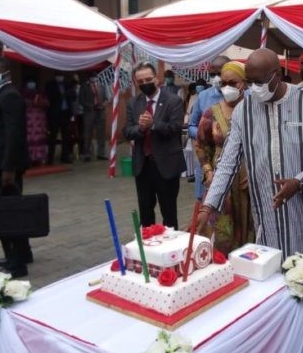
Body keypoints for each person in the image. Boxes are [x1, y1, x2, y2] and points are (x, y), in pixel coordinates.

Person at [198, 48, 303, 257]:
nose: (254, 88)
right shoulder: (244, 110)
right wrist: (208, 206)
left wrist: (299, 182)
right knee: (271, 268)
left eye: (259, 82)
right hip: (265, 210)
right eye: (249, 82)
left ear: (276, 75)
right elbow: (227, 162)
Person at [0, 56, 32, 278]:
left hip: (4, 168)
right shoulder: (1, 94)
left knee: (6, 215)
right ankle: (22, 253)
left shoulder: (9, 96)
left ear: (6, 72)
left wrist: (8, 169)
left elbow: (14, 135)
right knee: (12, 211)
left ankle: (16, 262)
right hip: (0, 165)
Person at [195, 61, 254, 253]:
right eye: (224, 83)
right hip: (220, 181)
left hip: (247, 184)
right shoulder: (211, 113)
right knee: (220, 232)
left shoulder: (255, 110)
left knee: (247, 231)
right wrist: (208, 172)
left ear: (244, 83)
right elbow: (201, 145)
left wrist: (255, 172)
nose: (227, 87)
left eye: (233, 83)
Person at [122, 63, 186, 229]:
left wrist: (153, 124)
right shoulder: (133, 103)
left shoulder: (174, 101)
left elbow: (175, 128)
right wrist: (141, 129)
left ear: (157, 79)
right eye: (140, 81)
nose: (145, 83)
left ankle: (170, 248)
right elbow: (127, 131)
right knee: (145, 211)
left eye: (148, 79)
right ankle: (148, 245)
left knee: (169, 212)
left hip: (166, 165)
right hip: (143, 165)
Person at [189, 57, 229, 200]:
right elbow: (192, 126)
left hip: (233, 161)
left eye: (220, 73)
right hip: (208, 161)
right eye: (212, 75)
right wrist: (206, 134)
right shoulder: (204, 96)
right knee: (206, 203)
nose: (216, 78)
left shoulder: (245, 95)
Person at [45, 72, 75, 164]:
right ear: (55, 77)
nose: (60, 77)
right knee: (52, 136)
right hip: (54, 114)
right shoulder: (50, 85)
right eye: (58, 75)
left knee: (66, 137)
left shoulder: (67, 84)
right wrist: (61, 95)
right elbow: (50, 96)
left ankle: (65, 157)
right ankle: (50, 159)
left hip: (65, 113)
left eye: (61, 75)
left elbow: (74, 97)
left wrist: (68, 94)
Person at [80, 72, 109, 161]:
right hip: (89, 113)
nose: (94, 79)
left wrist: (103, 105)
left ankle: (101, 153)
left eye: (95, 77)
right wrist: (90, 105)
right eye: (92, 77)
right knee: (87, 134)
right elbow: (81, 100)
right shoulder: (84, 87)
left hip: (100, 112)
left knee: (101, 134)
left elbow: (106, 99)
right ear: (89, 78)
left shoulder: (102, 86)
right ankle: (87, 154)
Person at [22, 78, 49, 165]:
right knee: (29, 138)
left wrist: (40, 102)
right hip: (29, 120)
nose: (32, 84)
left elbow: (47, 103)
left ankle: (39, 157)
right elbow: (23, 103)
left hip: (39, 120)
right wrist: (32, 102)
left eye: (33, 82)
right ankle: (29, 158)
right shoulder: (23, 93)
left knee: (39, 138)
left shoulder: (39, 93)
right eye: (30, 82)